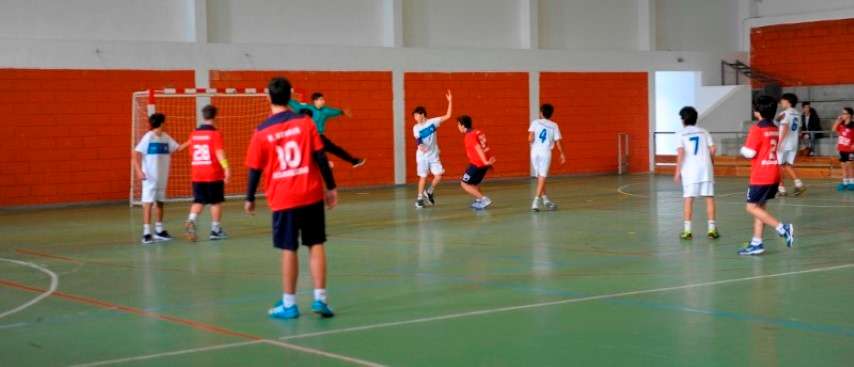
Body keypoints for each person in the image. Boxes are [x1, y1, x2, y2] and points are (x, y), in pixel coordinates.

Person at [245, 77, 338, 319]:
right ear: (291, 96)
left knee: (289, 248)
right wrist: (331, 187)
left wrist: (249, 197)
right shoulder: (306, 123)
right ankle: (320, 299)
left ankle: (289, 304)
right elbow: (320, 156)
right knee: (315, 244)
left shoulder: (262, 131)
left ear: (268, 97)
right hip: (310, 193)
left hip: (283, 197)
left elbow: (254, 169)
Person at [738, 95, 795, 256]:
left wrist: (742, 149)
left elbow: (749, 153)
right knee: (760, 208)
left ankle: (782, 228)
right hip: (774, 172)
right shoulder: (774, 128)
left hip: (761, 174)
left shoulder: (757, 129)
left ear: (756, 111)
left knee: (751, 207)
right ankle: (757, 242)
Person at [133, 113, 184, 245]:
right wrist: (139, 171)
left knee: (160, 202)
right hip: (149, 177)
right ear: (161, 123)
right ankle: (146, 233)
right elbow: (135, 153)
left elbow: (178, 148)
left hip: (162, 176)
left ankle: (159, 231)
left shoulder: (166, 137)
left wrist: (193, 139)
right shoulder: (148, 137)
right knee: (148, 204)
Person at [184, 105, 230, 242]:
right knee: (215, 202)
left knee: (199, 200)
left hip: (197, 172)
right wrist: (226, 168)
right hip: (213, 173)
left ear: (203, 116)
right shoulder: (215, 134)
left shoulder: (193, 134)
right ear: (215, 116)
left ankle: (191, 220)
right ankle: (215, 230)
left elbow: (191, 153)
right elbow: (219, 153)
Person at [673, 106, 719, 240]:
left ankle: (687, 231)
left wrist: (677, 171)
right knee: (709, 197)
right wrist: (711, 163)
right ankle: (712, 230)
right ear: (695, 118)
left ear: (682, 120)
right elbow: (713, 149)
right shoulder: (704, 132)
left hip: (690, 170)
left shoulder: (680, 133)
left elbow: (681, 152)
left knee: (689, 199)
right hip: (706, 169)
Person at [289, 92, 365, 168]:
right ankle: (324, 162)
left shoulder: (326, 111)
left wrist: (342, 112)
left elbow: (335, 111)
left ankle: (353, 161)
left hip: (319, 136)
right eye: (321, 99)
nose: (323, 101)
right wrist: (284, 96)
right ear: (315, 101)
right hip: (308, 136)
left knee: (335, 149)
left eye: (323, 99)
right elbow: (294, 104)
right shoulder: (307, 108)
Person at [412, 90, 453, 208]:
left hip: (433, 154)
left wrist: (450, 101)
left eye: (416, 115)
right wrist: (420, 146)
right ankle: (419, 198)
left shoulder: (433, 122)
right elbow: (418, 140)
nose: (415, 117)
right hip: (422, 156)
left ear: (423, 114)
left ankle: (429, 191)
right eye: (414, 116)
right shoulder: (416, 127)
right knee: (423, 176)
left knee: (439, 175)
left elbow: (448, 116)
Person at [528, 103, 566, 211]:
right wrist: (562, 153)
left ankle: (545, 199)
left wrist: (534, 140)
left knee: (540, 177)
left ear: (541, 113)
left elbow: (530, 138)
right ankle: (536, 201)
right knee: (542, 177)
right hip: (545, 152)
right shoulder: (554, 125)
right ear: (551, 114)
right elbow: (558, 142)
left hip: (534, 152)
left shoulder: (535, 122)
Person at [458, 115, 496, 210]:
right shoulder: (478, 132)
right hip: (483, 164)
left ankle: (483, 199)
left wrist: (485, 161)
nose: (458, 127)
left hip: (477, 164)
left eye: (458, 125)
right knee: (474, 184)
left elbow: (478, 148)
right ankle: (479, 200)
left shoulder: (469, 136)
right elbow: (485, 147)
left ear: (462, 125)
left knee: (464, 183)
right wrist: (488, 162)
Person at [776, 93, 806, 196]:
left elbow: (784, 127)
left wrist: (779, 142)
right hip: (793, 142)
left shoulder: (785, 113)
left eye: (782, 101)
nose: (781, 103)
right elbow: (800, 130)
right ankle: (799, 184)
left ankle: (782, 189)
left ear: (787, 102)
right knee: (788, 165)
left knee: (779, 166)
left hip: (785, 142)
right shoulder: (797, 113)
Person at [832, 107, 854, 191]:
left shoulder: (853, 125)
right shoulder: (841, 124)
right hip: (842, 149)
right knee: (843, 166)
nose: (842, 115)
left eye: (844, 113)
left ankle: (852, 183)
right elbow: (834, 129)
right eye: (842, 113)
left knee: (850, 166)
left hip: (850, 150)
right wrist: (837, 121)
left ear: (849, 115)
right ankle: (845, 182)